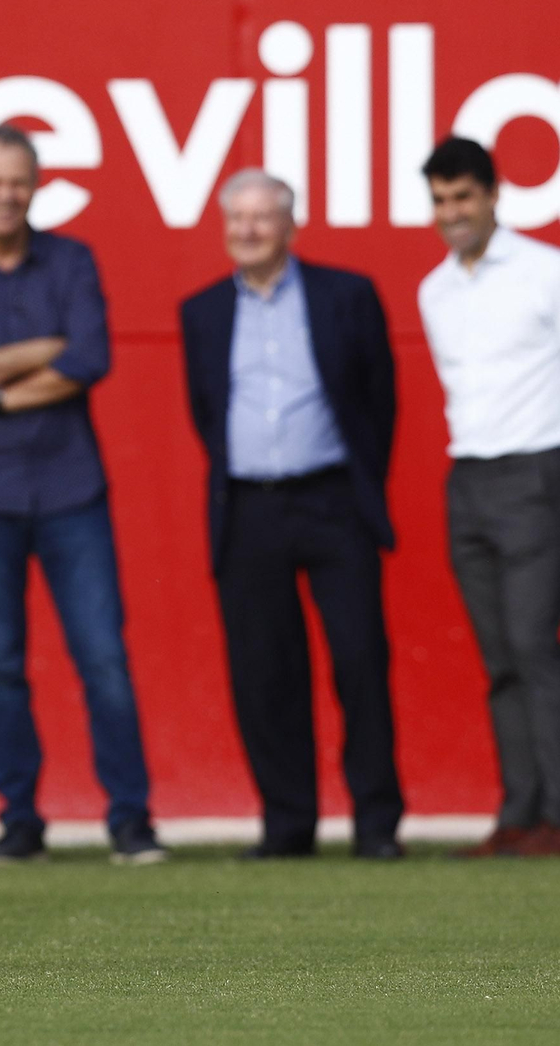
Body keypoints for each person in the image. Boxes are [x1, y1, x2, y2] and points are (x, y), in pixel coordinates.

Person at [0, 126, 166, 866]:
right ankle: (20, 820)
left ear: (37, 185)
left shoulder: (73, 261)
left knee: (103, 660)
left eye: (16, 181)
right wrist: (40, 351)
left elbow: (89, 359)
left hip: (70, 492)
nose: (4, 195)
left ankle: (131, 821)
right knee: (0, 665)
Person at [178, 170, 405, 859]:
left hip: (333, 500)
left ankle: (375, 825)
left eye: (262, 217)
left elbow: (379, 403)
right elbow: (205, 413)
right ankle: (287, 826)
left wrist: (359, 487)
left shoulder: (347, 295)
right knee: (264, 671)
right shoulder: (203, 311)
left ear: (291, 225)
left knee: (360, 661)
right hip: (249, 508)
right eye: (236, 218)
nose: (247, 230)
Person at [417, 137, 560, 858]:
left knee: (535, 643)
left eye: (464, 197)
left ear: (493, 194)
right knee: (499, 654)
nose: (453, 214)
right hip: (468, 477)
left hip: (540, 470)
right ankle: (518, 814)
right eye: (441, 201)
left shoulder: (550, 273)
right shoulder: (435, 290)